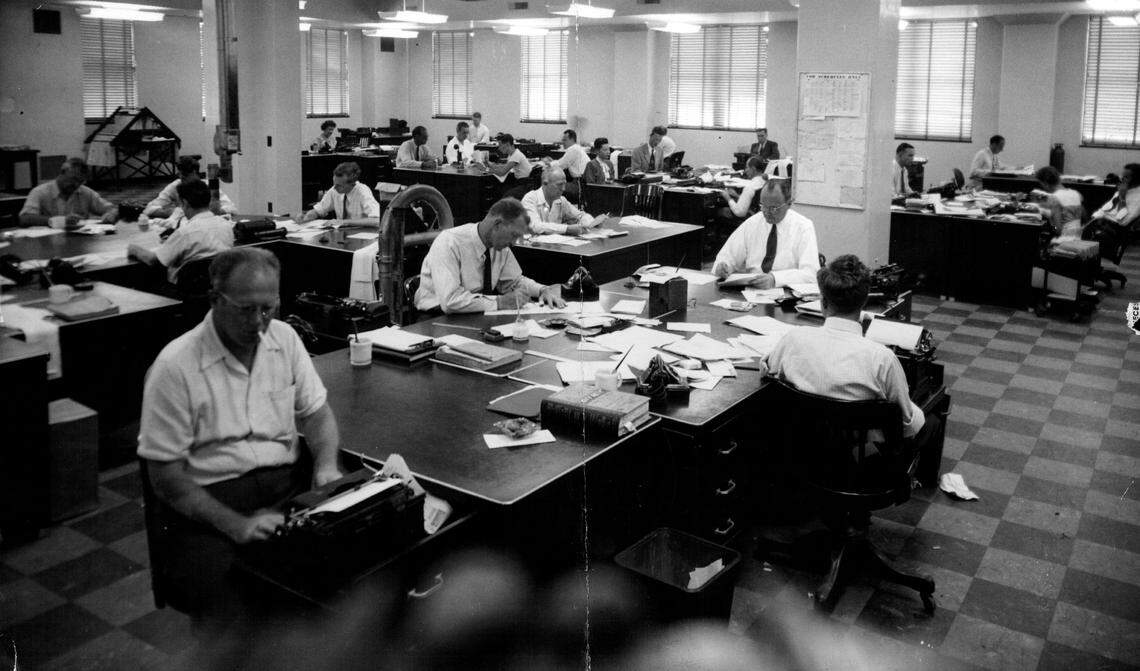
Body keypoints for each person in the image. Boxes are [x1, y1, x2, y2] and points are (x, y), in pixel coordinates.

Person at [137, 247, 343, 622]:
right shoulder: (175, 367)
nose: (259, 322)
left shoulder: (284, 339)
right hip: (208, 505)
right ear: (215, 300)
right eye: (246, 309)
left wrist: (326, 467)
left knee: (344, 583)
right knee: (234, 610)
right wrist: (237, 524)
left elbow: (317, 415)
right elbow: (165, 479)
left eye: (269, 308)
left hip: (286, 490)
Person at [763, 254, 939, 449]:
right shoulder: (883, 359)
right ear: (864, 303)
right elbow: (907, 425)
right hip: (858, 462)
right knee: (930, 423)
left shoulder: (793, 340)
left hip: (802, 452)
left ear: (823, 303)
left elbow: (767, 372)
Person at [415, 197, 566, 314]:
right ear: (497, 225)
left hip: (475, 315)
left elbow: (513, 282)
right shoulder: (449, 242)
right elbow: (450, 302)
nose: (514, 243)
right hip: (436, 319)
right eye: (513, 235)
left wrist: (542, 290)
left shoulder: (499, 247)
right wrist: (500, 302)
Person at [711, 178, 820, 289]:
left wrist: (775, 279)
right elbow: (727, 256)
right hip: (752, 289)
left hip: (786, 291)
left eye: (774, 208)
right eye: (763, 206)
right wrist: (723, 266)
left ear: (789, 203)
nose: (767, 213)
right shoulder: (752, 223)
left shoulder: (803, 227)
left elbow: (811, 274)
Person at [127, 180, 235, 284]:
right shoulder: (226, 226)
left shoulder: (185, 232)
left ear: (184, 203)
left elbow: (154, 260)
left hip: (181, 291)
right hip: (217, 288)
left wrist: (135, 249)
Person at [18, 157, 117, 227]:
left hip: (78, 242)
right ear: (62, 173)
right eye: (73, 179)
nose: (76, 184)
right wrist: (56, 221)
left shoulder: (85, 192)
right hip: (47, 244)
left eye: (80, 181)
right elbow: (24, 218)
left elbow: (112, 209)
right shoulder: (40, 192)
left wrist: (111, 214)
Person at [144, 156, 236, 218]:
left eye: (185, 175)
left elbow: (232, 209)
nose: (182, 178)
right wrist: (171, 212)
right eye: (180, 175)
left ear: (195, 173)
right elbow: (149, 208)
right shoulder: (176, 185)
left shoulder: (208, 186)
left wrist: (215, 211)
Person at [522, 168, 600, 235]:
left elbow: (580, 215)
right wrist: (567, 229)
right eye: (559, 185)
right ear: (545, 183)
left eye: (564, 184)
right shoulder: (530, 199)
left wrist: (589, 223)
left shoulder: (561, 200)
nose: (563, 189)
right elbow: (535, 226)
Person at [302, 161, 381, 221]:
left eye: (339, 185)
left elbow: (377, 220)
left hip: (362, 235)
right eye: (334, 184)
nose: (335, 188)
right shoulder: (335, 190)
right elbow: (319, 210)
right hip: (341, 235)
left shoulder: (362, 191)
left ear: (352, 183)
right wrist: (307, 216)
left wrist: (345, 222)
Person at [1033, 166, 1084, 237]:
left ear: (1045, 184)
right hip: (1077, 239)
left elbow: (1058, 229)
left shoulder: (1054, 198)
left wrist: (1051, 225)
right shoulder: (1076, 194)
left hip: (1063, 242)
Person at [544, 129, 589, 202]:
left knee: (550, 186)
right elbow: (563, 162)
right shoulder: (577, 148)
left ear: (572, 139)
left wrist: (548, 163)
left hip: (579, 185)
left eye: (564, 140)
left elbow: (561, 165)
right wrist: (553, 162)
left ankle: (551, 209)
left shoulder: (573, 149)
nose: (562, 142)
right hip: (581, 183)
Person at [1090, 163, 1140, 229]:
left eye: (1126, 177)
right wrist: (1093, 219)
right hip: (1102, 225)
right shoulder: (1124, 190)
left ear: (1136, 180)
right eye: (1122, 176)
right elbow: (1104, 209)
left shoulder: (1137, 198)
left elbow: (1123, 222)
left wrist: (1122, 198)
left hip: (1117, 232)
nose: (1122, 179)